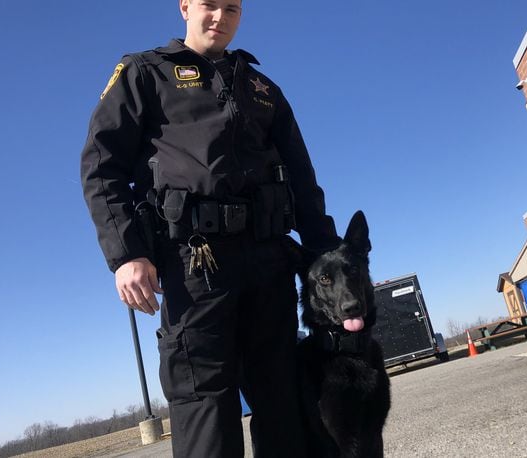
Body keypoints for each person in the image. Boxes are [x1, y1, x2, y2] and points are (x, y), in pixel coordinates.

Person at [79, 0, 339, 456]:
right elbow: (102, 165)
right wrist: (127, 253)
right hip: (196, 264)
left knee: (283, 404)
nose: (220, 17)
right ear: (184, 6)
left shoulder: (263, 88)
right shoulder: (144, 73)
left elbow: (302, 177)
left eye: (232, 8)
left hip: (268, 258)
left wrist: (328, 254)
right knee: (205, 407)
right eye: (210, 5)